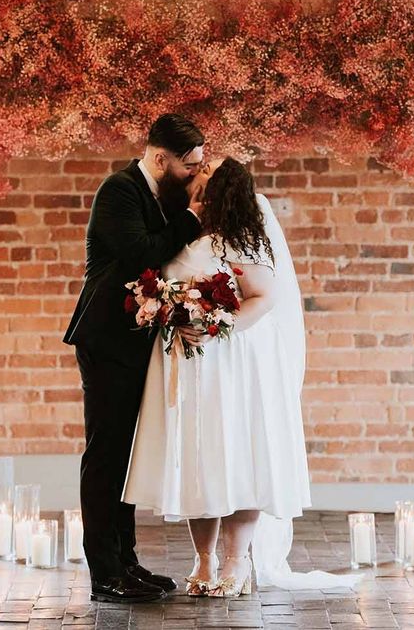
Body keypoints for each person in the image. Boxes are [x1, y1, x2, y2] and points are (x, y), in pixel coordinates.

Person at [123, 157, 361, 596]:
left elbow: (264, 297)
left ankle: (236, 562)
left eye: (208, 168)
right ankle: (204, 560)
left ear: (226, 187)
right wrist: (169, 311)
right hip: (191, 366)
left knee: (240, 456)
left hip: (234, 362)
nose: (199, 170)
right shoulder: (184, 230)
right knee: (200, 458)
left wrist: (215, 328)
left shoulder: (244, 239)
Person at [63, 114, 205, 603]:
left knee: (126, 456)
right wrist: (192, 220)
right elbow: (140, 254)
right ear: (160, 158)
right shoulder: (119, 190)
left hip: (134, 342)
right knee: (105, 455)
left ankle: (127, 561)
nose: (193, 175)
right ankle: (104, 573)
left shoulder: (160, 195)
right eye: (189, 166)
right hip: (106, 340)